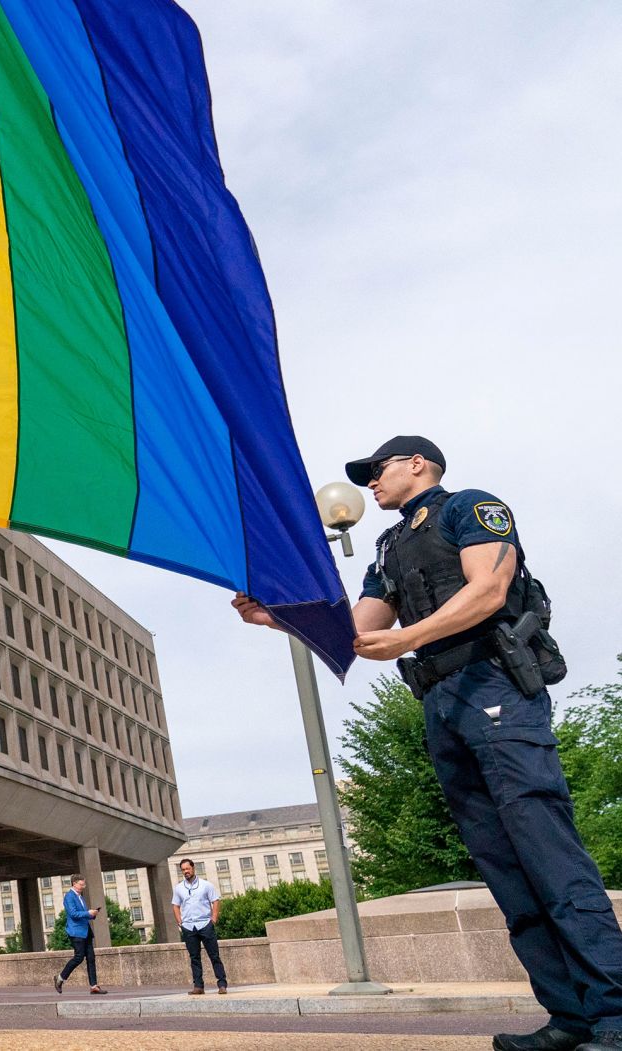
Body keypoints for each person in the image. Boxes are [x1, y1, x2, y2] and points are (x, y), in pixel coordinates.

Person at [234, 435, 622, 1051]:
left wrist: (408, 635)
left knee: (549, 856)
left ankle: (613, 1013)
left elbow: (490, 590)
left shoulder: (470, 507)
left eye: (377, 469)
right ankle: (569, 1017)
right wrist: (278, 614)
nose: (370, 483)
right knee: (504, 869)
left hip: (495, 686)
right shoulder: (388, 548)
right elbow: (359, 630)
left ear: (418, 463)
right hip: (442, 704)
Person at [171, 859, 227, 994]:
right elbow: (175, 906)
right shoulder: (179, 888)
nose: (186, 872)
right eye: (183, 870)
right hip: (189, 928)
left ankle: (222, 984)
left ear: (193, 868)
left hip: (205, 925)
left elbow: (215, 901)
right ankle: (198, 986)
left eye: (187, 869)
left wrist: (213, 919)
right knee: (194, 958)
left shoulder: (206, 885)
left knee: (214, 956)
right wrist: (180, 922)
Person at [53, 875, 105, 995]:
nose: (83, 887)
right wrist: (88, 912)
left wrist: (93, 913)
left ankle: (94, 986)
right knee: (79, 957)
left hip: (86, 931)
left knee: (91, 958)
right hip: (76, 932)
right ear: (74, 883)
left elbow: (83, 914)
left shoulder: (80, 897)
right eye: (81, 884)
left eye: (84, 884)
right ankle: (60, 978)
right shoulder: (69, 897)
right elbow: (73, 914)